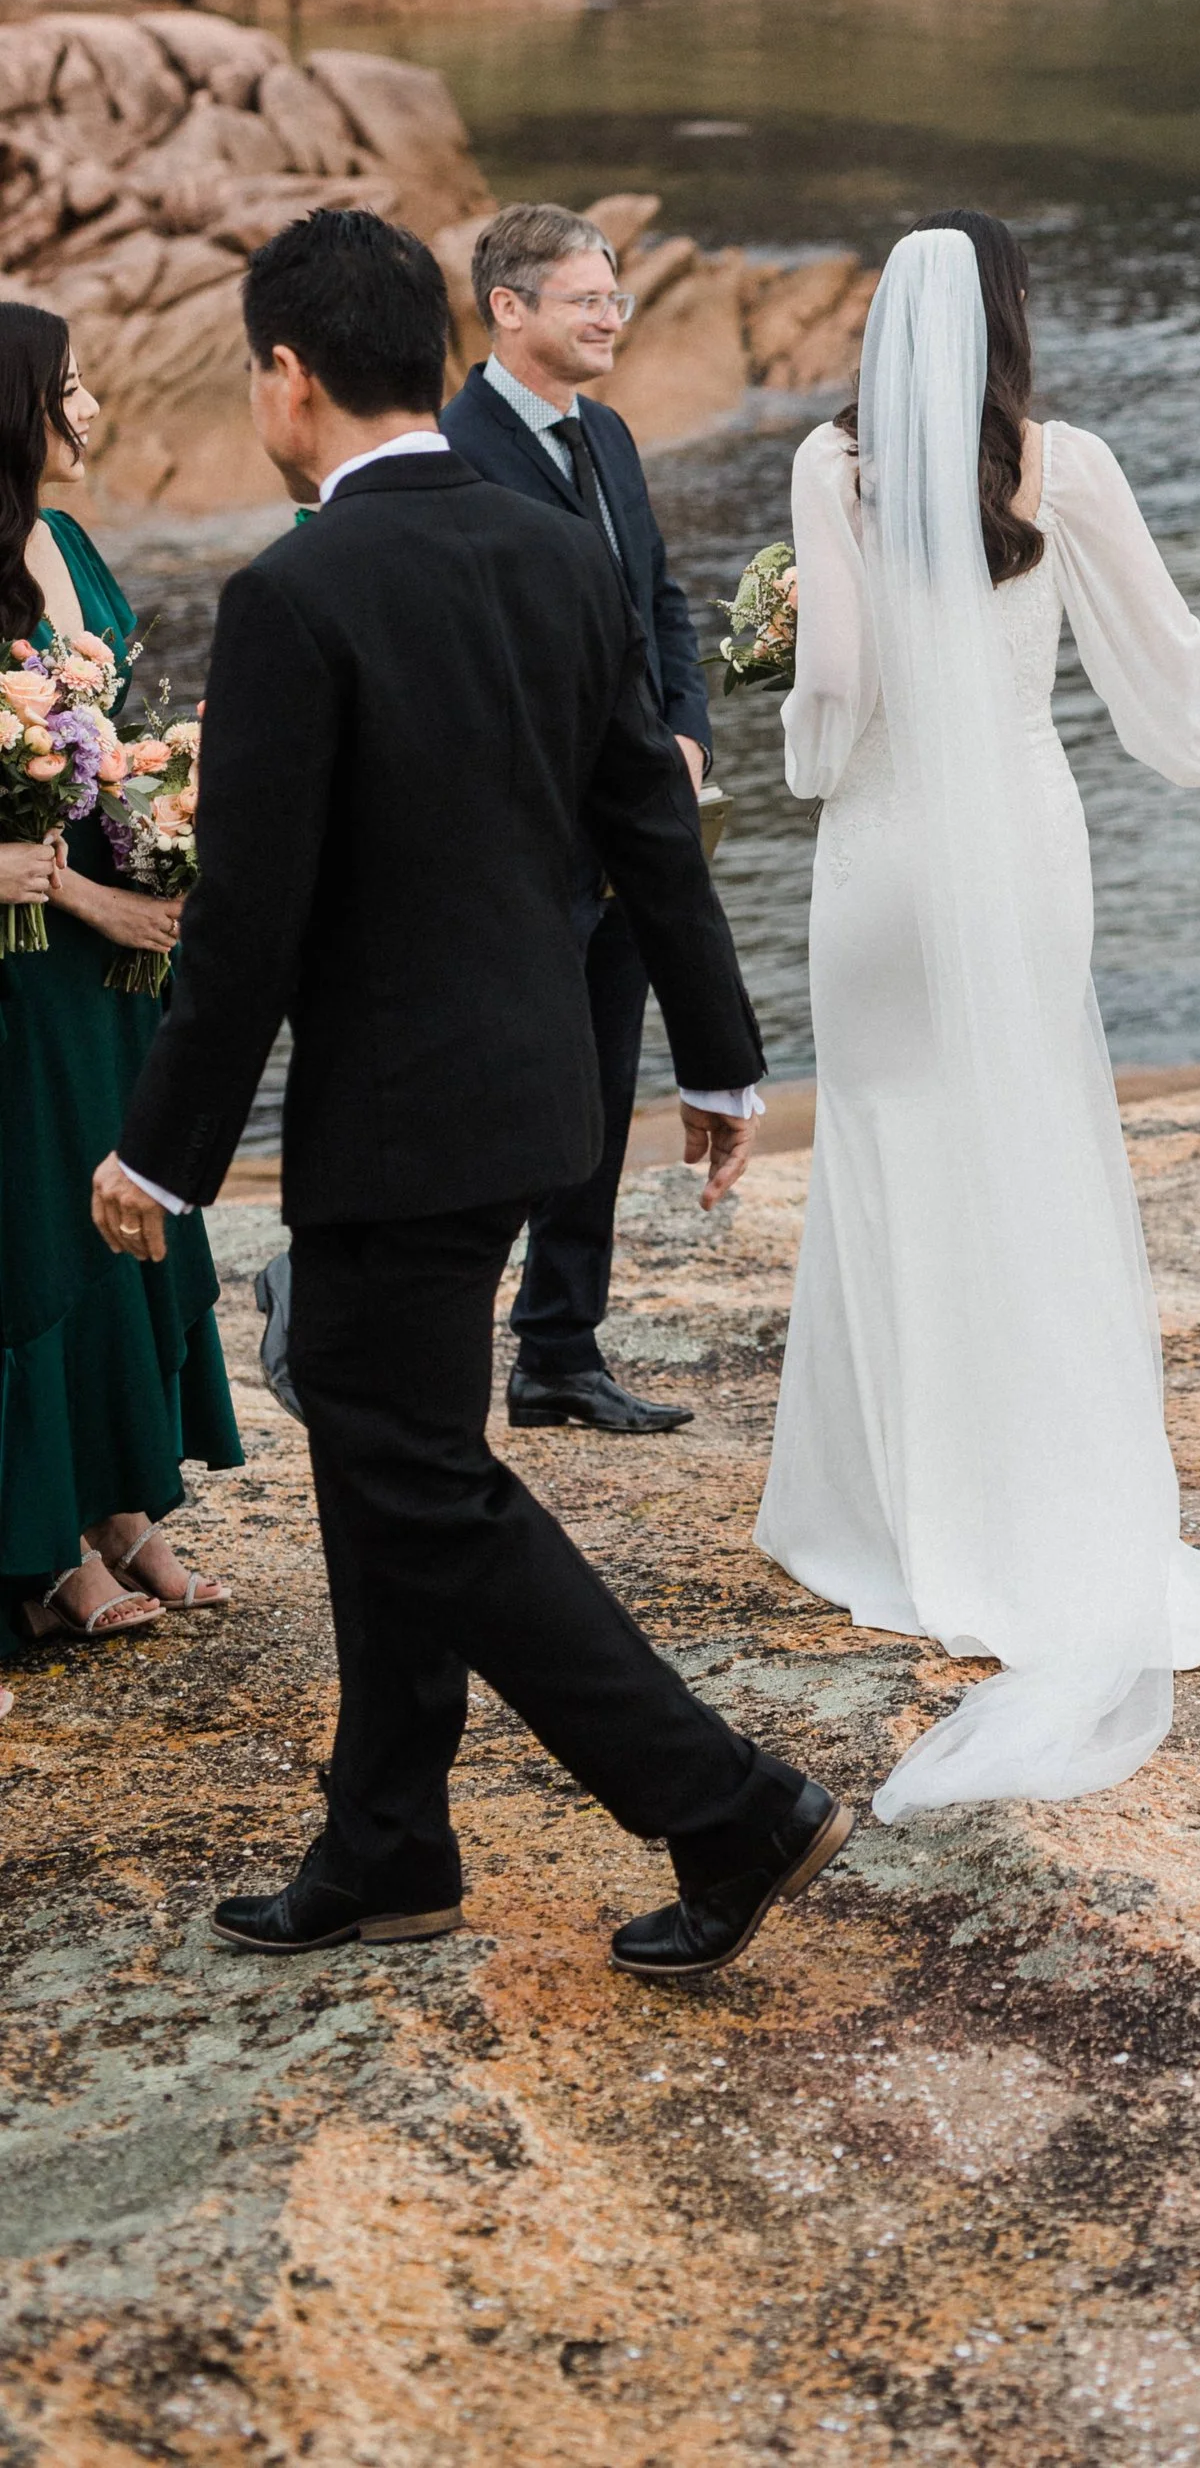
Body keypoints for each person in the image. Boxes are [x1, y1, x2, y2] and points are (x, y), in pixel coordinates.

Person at [89, 210, 846, 1982]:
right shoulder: (550, 546)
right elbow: (650, 821)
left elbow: (253, 930)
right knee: (395, 1462)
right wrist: (719, 1054)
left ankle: (721, 1798)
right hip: (534, 1097)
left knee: (412, 1471)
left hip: (399, 1123)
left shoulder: (293, 594)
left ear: (286, 376)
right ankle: (389, 1843)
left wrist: (161, 1155)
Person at [757, 213, 1200, 1816]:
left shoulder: (828, 467)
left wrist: (792, 732)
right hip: (1026, 855)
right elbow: (1170, 674)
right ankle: (1052, 1505)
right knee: (1034, 1151)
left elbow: (833, 694)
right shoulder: (1070, 470)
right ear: (1011, 321)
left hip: (887, 869)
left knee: (890, 1160)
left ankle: (906, 1512)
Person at [440, 204, 716, 1439]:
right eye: (586, 300)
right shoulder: (453, 449)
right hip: (522, 839)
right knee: (515, 1100)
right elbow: (471, 664)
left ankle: (558, 1348)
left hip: (629, 831)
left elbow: (657, 597)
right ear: (509, 309)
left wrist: (685, 733)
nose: (611, 317)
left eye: (617, 298)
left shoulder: (605, 433)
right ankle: (392, 1308)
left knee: (603, 1094)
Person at [0, 306, 240, 1661]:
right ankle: (48, 1540)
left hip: (115, 947)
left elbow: (112, 745)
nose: (90, 410)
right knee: (44, 1223)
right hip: (27, 957)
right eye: (68, 388)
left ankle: (125, 1506)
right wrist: (88, 893)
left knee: (127, 1204)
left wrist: (169, 819)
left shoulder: (75, 543)